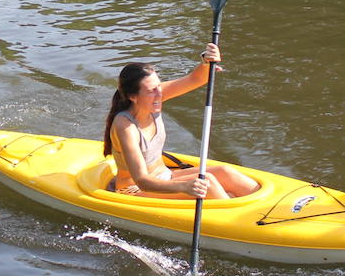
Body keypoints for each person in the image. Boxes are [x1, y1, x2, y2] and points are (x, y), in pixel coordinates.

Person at [103, 43, 261, 199]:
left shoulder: (152, 98)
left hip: (166, 176)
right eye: (152, 90)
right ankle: (235, 219)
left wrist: (207, 63)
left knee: (225, 172)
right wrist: (184, 186)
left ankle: (265, 207)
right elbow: (142, 181)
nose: (160, 94)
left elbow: (195, 79)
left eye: (159, 86)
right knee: (208, 182)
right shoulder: (125, 126)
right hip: (134, 190)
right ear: (133, 97)